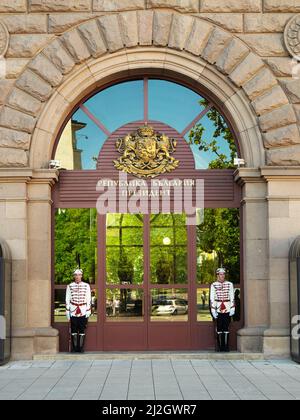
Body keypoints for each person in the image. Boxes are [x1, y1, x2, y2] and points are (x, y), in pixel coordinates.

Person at [66, 268, 92, 353]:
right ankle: (74, 348)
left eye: (79, 275)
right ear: (74, 276)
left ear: (81, 276)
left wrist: (88, 310)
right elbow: (67, 298)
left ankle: (80, 348)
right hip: (73, 310)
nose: (77, 276)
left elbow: (88, 298)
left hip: (83, 310)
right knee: (73, 329)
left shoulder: (86, 286)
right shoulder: (70, 286)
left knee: (82, 329)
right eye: (76, 275)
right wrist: (67, 310)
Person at [210, 268, 235, 352]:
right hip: (218, 307)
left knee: (226, 328)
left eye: (223, 274)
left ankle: (226, 347)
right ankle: (220, 347)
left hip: (227, 307)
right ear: (217, 275)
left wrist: (232, 308)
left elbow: (232, 296)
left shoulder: (230, 284)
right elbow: (212, 298)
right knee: (219, 328)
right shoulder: (213, 285)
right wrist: (213, 309)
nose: (222, 276)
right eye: (220, 274)